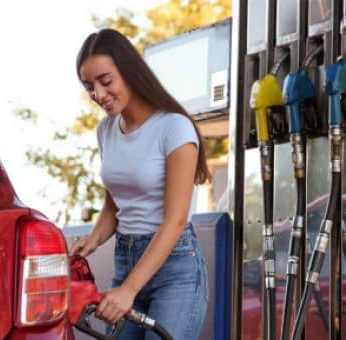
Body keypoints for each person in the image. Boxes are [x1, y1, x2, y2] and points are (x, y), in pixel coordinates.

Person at [70, 28, 209, 340]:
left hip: (176, 269)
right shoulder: (106, 130)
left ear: (129, 71)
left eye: (106, 81)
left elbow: (174, 222)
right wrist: (93, 239)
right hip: (126, 258)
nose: (98, 94)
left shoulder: (174, 128)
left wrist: (128, 290)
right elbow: (114, 203)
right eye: (89, 86)